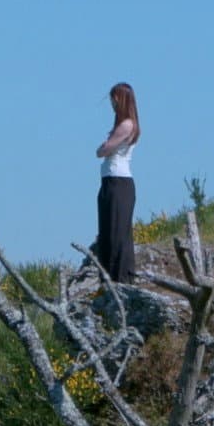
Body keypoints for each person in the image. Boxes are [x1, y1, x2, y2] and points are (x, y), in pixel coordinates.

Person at [93, 82, 140, 283]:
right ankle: (108, 278)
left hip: (118, 182)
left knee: (117, 232)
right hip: (110, 181)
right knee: (107, 230)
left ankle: (120, 279)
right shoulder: (122, 125)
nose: (112, 103)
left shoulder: (127, 125)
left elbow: (103, 150)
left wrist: (103, 146)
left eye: (115, 99)